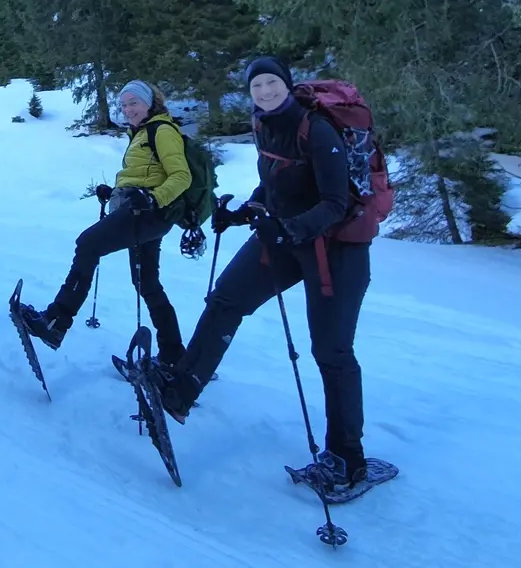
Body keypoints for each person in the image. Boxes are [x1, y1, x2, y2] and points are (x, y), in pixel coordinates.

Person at [156, 55, 372, 486]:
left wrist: (286, 228)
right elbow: (275, 184)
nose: (265, 92)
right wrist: (242, 213)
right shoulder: (262, 124)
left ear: (287, 85)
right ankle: (182, 390)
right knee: (225, 298)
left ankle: (348, 457)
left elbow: (336, 203)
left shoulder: (318, 130)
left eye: (272, 83)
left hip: (336, 250)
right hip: (285, 239)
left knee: (331, 352)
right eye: (257, 86)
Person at [16, 80, 192, 364]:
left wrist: (153, 199)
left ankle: (57, 321)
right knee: (147, 282)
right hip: (145, 212)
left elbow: (182, 176)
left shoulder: (162, 130)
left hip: (147, 213)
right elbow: (145, 175)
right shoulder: (143, 131)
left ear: (150, 102)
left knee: (87, 245)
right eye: (123, 105)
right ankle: (174, 354)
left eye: (133, 102)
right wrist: (116, 193)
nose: (128, 109)